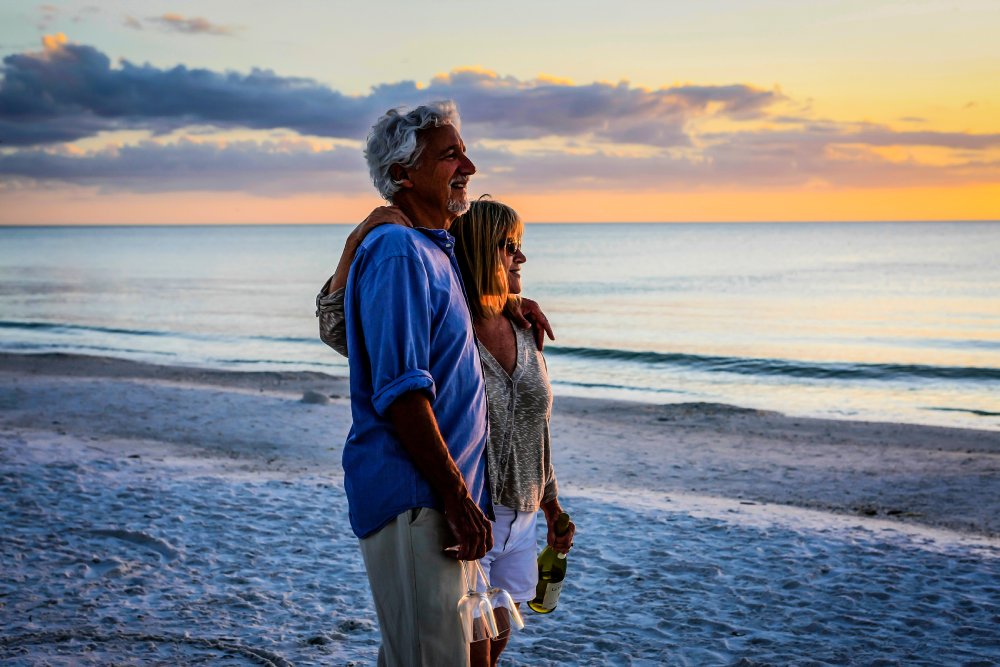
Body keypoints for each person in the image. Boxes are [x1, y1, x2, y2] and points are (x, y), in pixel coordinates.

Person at [319, 198, 574, 667]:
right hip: (471, 508)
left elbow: (534, 426)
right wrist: (354, 243)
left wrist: (551, 503)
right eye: (509, 245)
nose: (521, 257)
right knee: (448, 651)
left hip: (522, 514)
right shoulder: (449, 327)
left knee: (488, 649)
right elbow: (343, 330)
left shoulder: (522, 327)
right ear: (478, 249)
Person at [336, 100, 493, 667]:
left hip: (442, 503)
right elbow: (402, 392)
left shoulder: (430, 249)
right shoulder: (399, 251)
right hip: (419, 501)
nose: (469, 166)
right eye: (450, 155)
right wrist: (456, 496)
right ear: (403, 174)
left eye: (465, 151)